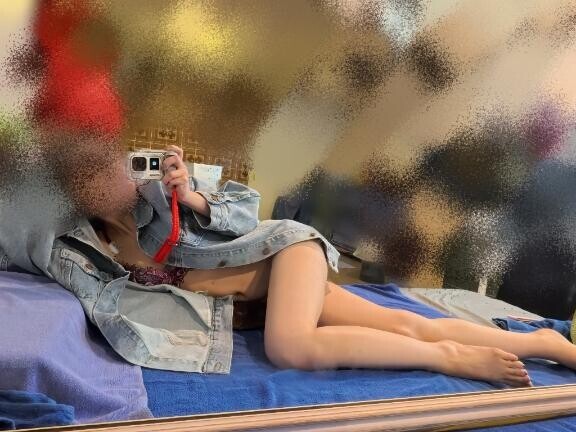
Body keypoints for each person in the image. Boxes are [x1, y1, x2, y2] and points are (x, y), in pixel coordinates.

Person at [3, 144, 575, 385]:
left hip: (285, 252)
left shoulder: (164, 197)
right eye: (89, 178)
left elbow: (243, 210)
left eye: (113, 166)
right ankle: (547, 344)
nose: (109, 181)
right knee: (407, 322)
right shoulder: (74, 249)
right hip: (272, 292)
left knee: (291, 346)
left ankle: (452, 360)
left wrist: (192, 196)